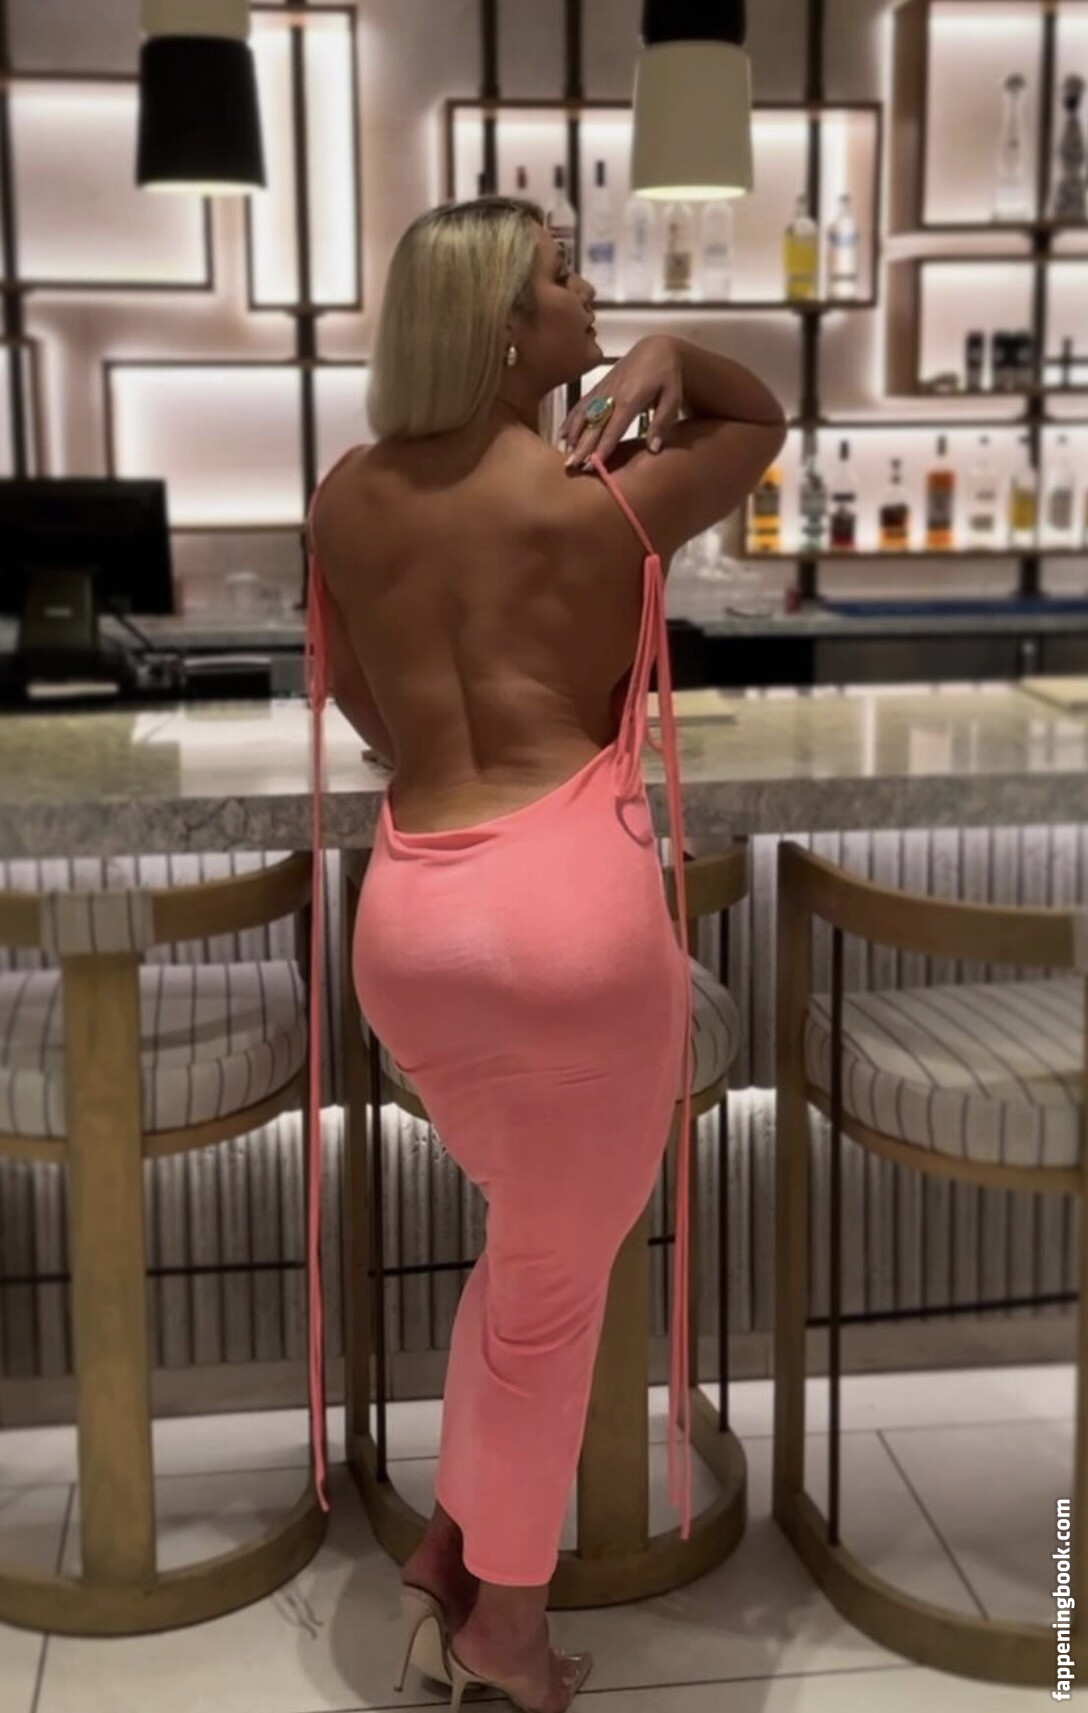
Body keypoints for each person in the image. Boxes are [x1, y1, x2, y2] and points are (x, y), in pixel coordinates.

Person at [305, 195, 785, 1713]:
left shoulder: (345, 496)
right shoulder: (603, 501)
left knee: (526, 1259)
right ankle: (507, 1634)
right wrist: (677, 353)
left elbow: (364, 704)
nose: (593, 297)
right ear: (508, 326)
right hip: (568, 926)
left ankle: (451, 1561)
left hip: (412, 923)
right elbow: (758, 420)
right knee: (549, 1299)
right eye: (568, 277)